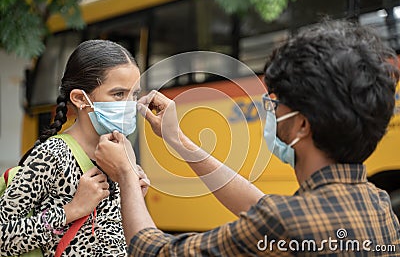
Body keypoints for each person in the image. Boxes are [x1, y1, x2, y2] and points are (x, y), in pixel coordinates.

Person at [95, 20, 400, 256]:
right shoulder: (378, 204)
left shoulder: (285, 223)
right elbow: (263, 207)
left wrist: (125, 175)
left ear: (302, 126)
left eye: (277, 104)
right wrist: (180, 142)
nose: (271, 111)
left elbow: (155, 251)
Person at [0, 40, 148, 256]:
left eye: (134, 94)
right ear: (80, 98)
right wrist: (72, 210)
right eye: (118, 94)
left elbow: (111, 239)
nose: (130, 104)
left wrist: (132, 195)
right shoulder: (52, 155)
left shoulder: (119, 154)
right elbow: (4, 236)